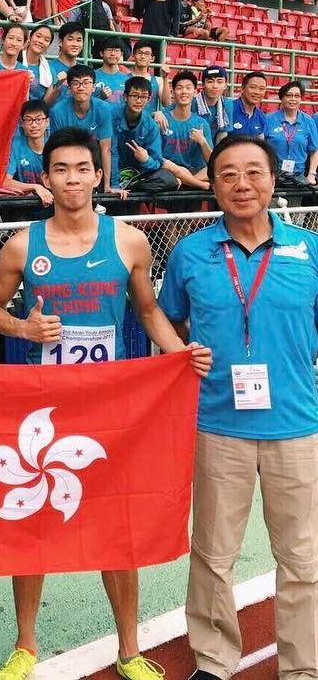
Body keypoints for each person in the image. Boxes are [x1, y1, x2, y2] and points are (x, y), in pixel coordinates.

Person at [0, 126, 211, 680]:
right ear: (46, 176)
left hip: (110, 407)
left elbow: (149, 310)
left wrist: (181, 356)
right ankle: (25, 645)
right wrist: (24, 326)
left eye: (81, 169)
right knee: (33, 522)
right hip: (42, 408)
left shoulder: (129, 240)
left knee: (118, 523)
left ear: (97, 175)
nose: (72, 179)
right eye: (60, 169)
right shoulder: (22, 244)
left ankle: (129, 649)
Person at [158, 134, 318, 680]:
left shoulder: (308, 248)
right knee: (212, 552)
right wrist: (183, 353)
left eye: (253, 172)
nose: (241, 184)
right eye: (227, 174)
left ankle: (302, 665)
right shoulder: (190, 253)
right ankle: (214, 657)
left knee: (302, 557)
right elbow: (169, 320)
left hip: (296, 425)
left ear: (274, 179)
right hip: (216, 424)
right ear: (213, 185)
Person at [48, 64, 117, 194]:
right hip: (67, 156)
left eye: (86, 83)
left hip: (92, 157)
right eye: (76, 83)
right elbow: (57, 149)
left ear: (93, 87)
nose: (81, 88)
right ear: (69, 88)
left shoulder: (104, 108)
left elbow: (106, 149)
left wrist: (107, 186)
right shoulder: (57, 111)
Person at [110, 76, 178, 195]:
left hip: (136, 176)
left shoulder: (151, 126)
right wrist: (114, 185)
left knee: (168, 178)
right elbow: (111, 152)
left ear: (148, 99)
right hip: (110, 173)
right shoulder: (111, 115)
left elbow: (157, 162)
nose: (139, 100)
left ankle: (131, 187)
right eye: (134, 95)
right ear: (125, 97)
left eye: (143, 96)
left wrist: (146, 160)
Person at [160, 71, 212, 191]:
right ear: (173, 93)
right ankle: (193, 183)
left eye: (188, 88)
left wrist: (203, 142)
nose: (184, 91)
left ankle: (188, 182)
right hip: (169, 172)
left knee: (215, 168)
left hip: (193, 173)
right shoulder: (162, 119)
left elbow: (211, 161)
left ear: (195, 92)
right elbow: (157, 157)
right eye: (179, 88)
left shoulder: (201, 123)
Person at [264, 80, 318, 189]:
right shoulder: (268, 119)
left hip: (299, 177)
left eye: (297, 96)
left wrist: (311, 175)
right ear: (282, 98)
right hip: (273, 176)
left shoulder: (308, 121)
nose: (293, 99)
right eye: (289, 95)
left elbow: (314, 150)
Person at [2, 99, 53, 208]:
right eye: (29, 120)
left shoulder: (56, 145)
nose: (34, 125)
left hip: (53, 203)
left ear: (47, 122)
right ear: (22, 123)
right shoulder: (15, 145)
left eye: (39, 119)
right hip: (24, 206)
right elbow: (5, 182)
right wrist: (35, 187)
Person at [194, 65, 233, 142]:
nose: (215, 86)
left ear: (225, 85)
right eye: (210, 81)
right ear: (203, 85)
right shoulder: (192, 103)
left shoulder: (227, 104)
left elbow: (222, 135)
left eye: (219, 81)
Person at [19, 24, 54, 102]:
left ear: (49, 45)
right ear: (30, 37)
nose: (41, 41)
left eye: (46, 40)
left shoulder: (49, 70)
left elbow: (46, 103)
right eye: (38, 36)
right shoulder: (16, 60)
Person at [228, 71, 267, 139]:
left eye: (262, 89)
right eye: (253, 87)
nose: (257, 92)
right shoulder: (229, 109)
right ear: (242, 89)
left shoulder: (262, 117)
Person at [94, 37, 129, 104]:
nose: (113, 53)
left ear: (121, 54)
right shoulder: (92, 76)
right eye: (109, 50)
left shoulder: (127, 79)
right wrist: (100, 97)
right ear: (101, 53)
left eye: (117, 50)